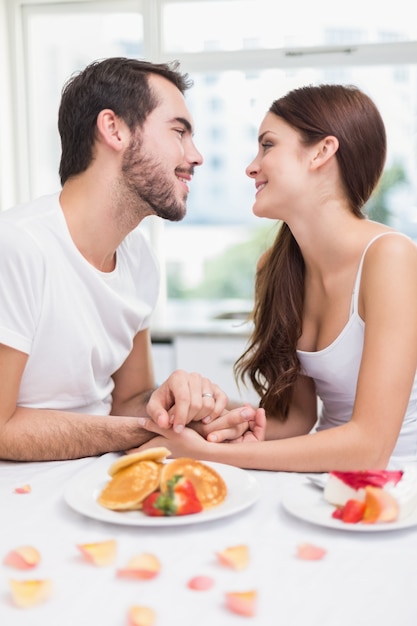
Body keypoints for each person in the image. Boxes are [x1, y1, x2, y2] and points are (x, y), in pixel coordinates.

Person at [134, 83, 417, 471]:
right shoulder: (275, 266)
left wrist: (212, 453)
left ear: (322, 151)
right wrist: (205, 417)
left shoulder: (391, 257)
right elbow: (294, 419)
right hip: (321, 481)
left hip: (399, 489)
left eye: (267, 145)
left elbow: (370, 448)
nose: (252, 166)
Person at [0, 57, 252, 462]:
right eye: (179, 132)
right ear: (114, 129)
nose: (197, 155)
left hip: (104, 483)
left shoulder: (140, 260)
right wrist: (150, 431)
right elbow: (2, 428)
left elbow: (129, 401)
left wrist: (178, 409)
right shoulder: (16, 246)